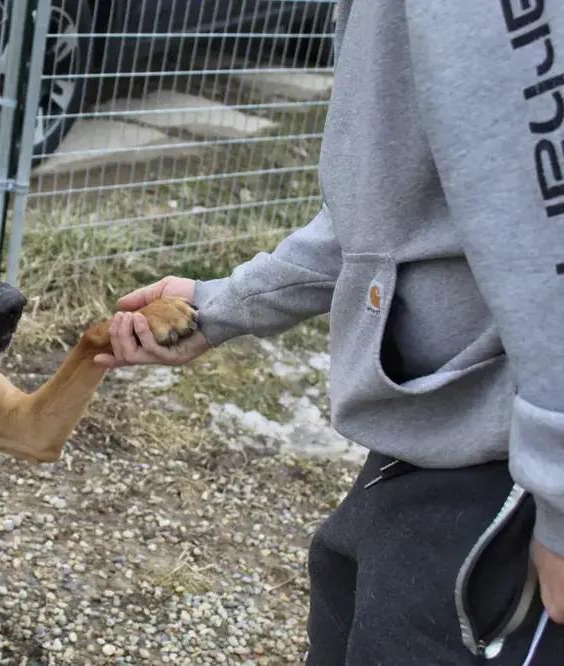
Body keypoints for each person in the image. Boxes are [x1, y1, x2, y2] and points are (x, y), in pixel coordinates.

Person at [95, 2, 564, 664]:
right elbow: (381, 219)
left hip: (511, 478)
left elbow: (550, 222)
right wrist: (219, 307)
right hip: (429, 444)